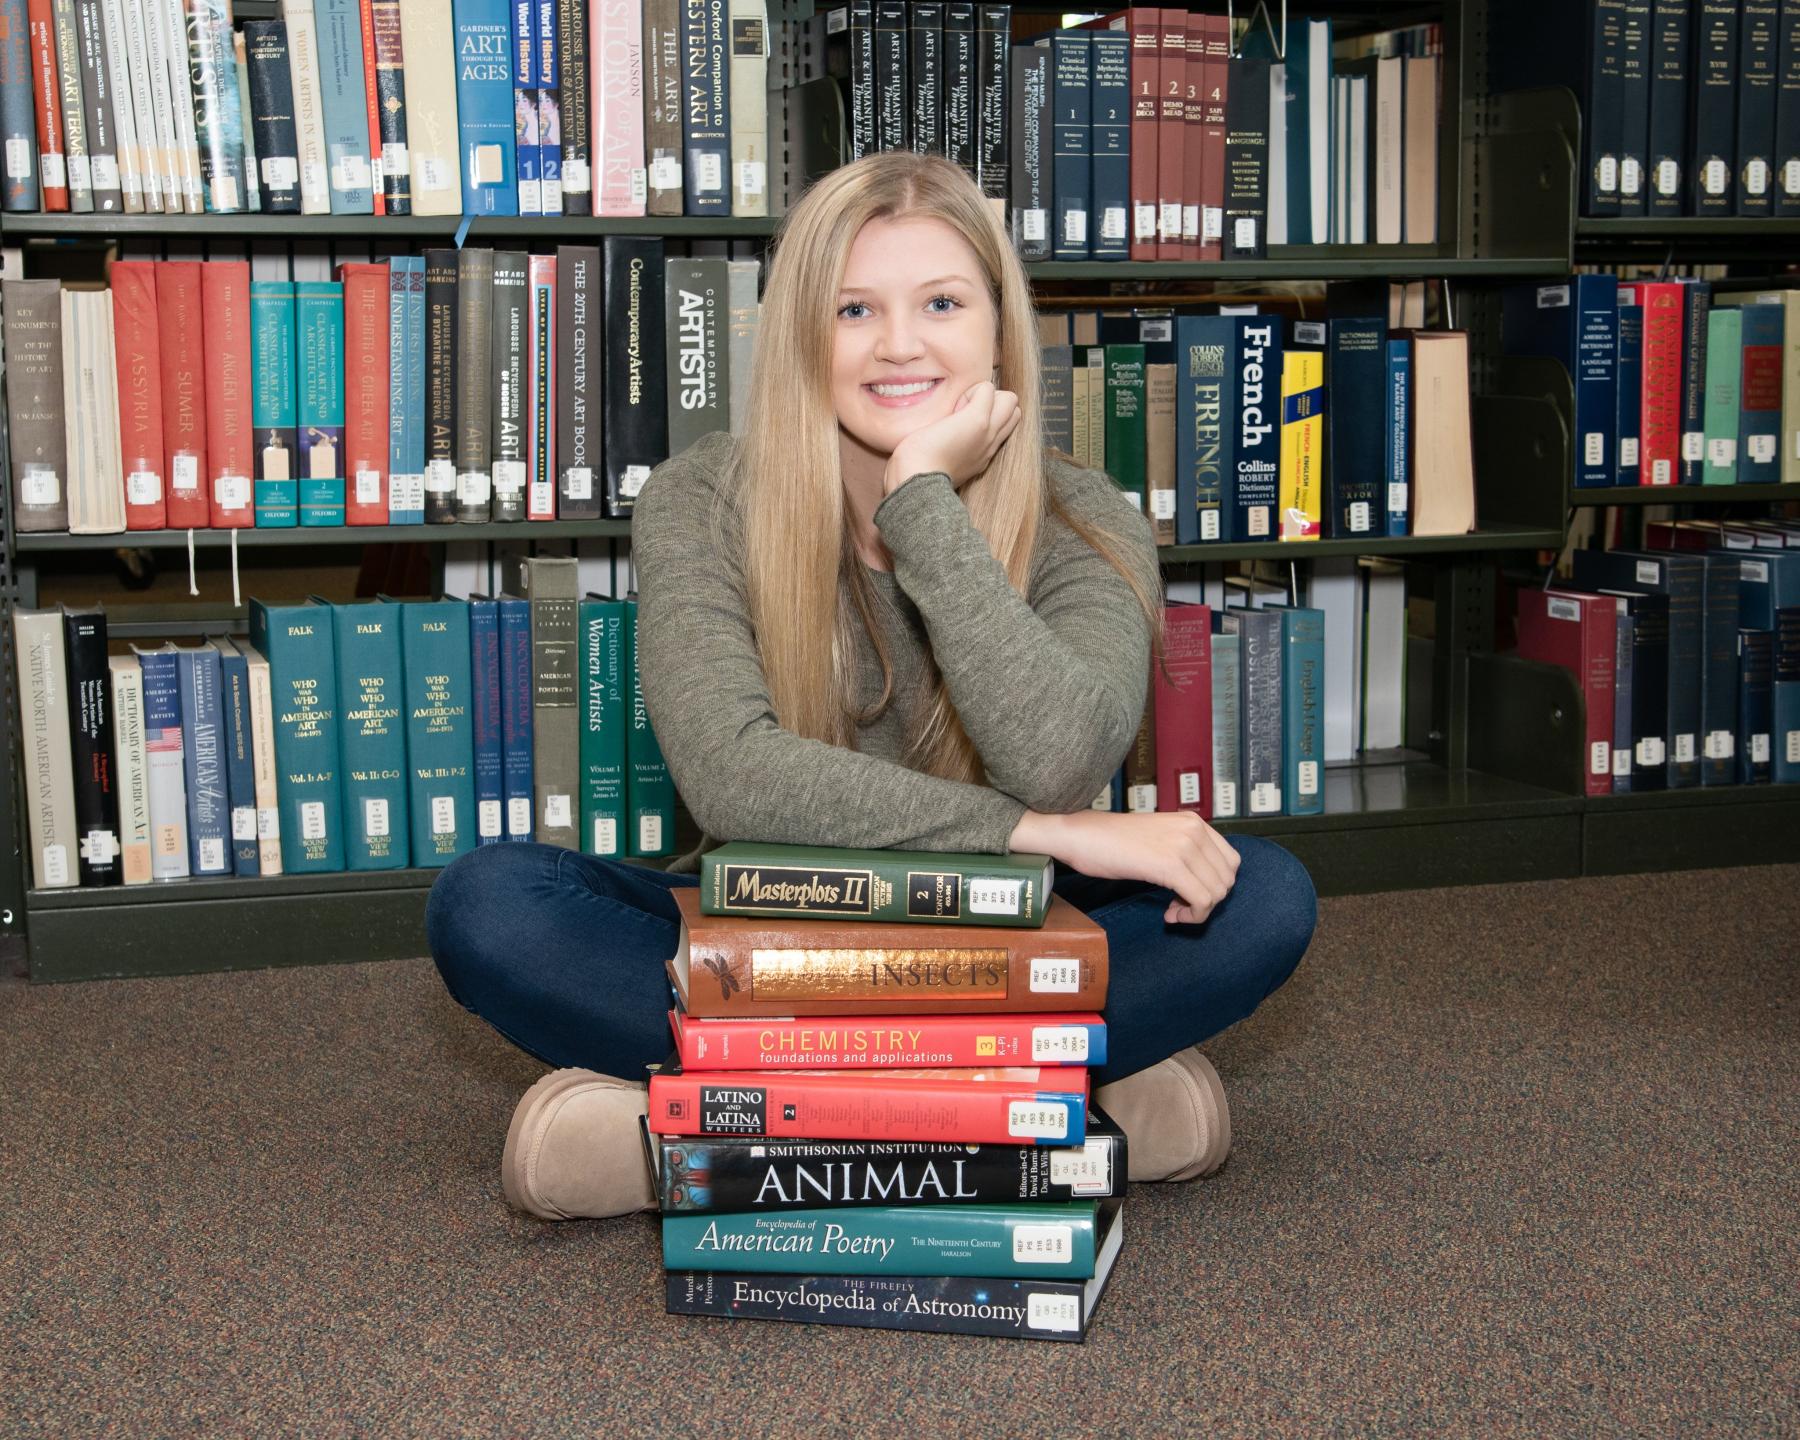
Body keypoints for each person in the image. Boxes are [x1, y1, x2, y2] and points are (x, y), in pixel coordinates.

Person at [427, 150, 1317, 1221]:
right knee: (491, 907)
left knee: (1262, 898)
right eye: (855, 309)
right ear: (805, 333)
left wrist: (921, 501)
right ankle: (1062, 1112)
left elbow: (1059, 757)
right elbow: (734, 782)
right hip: (772, 940)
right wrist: (1048, 834)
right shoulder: (702, 500)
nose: (900, 344)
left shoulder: (1088, 519)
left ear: (998, 325)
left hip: (1007, 945)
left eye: (941, 302)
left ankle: (705, 1134)